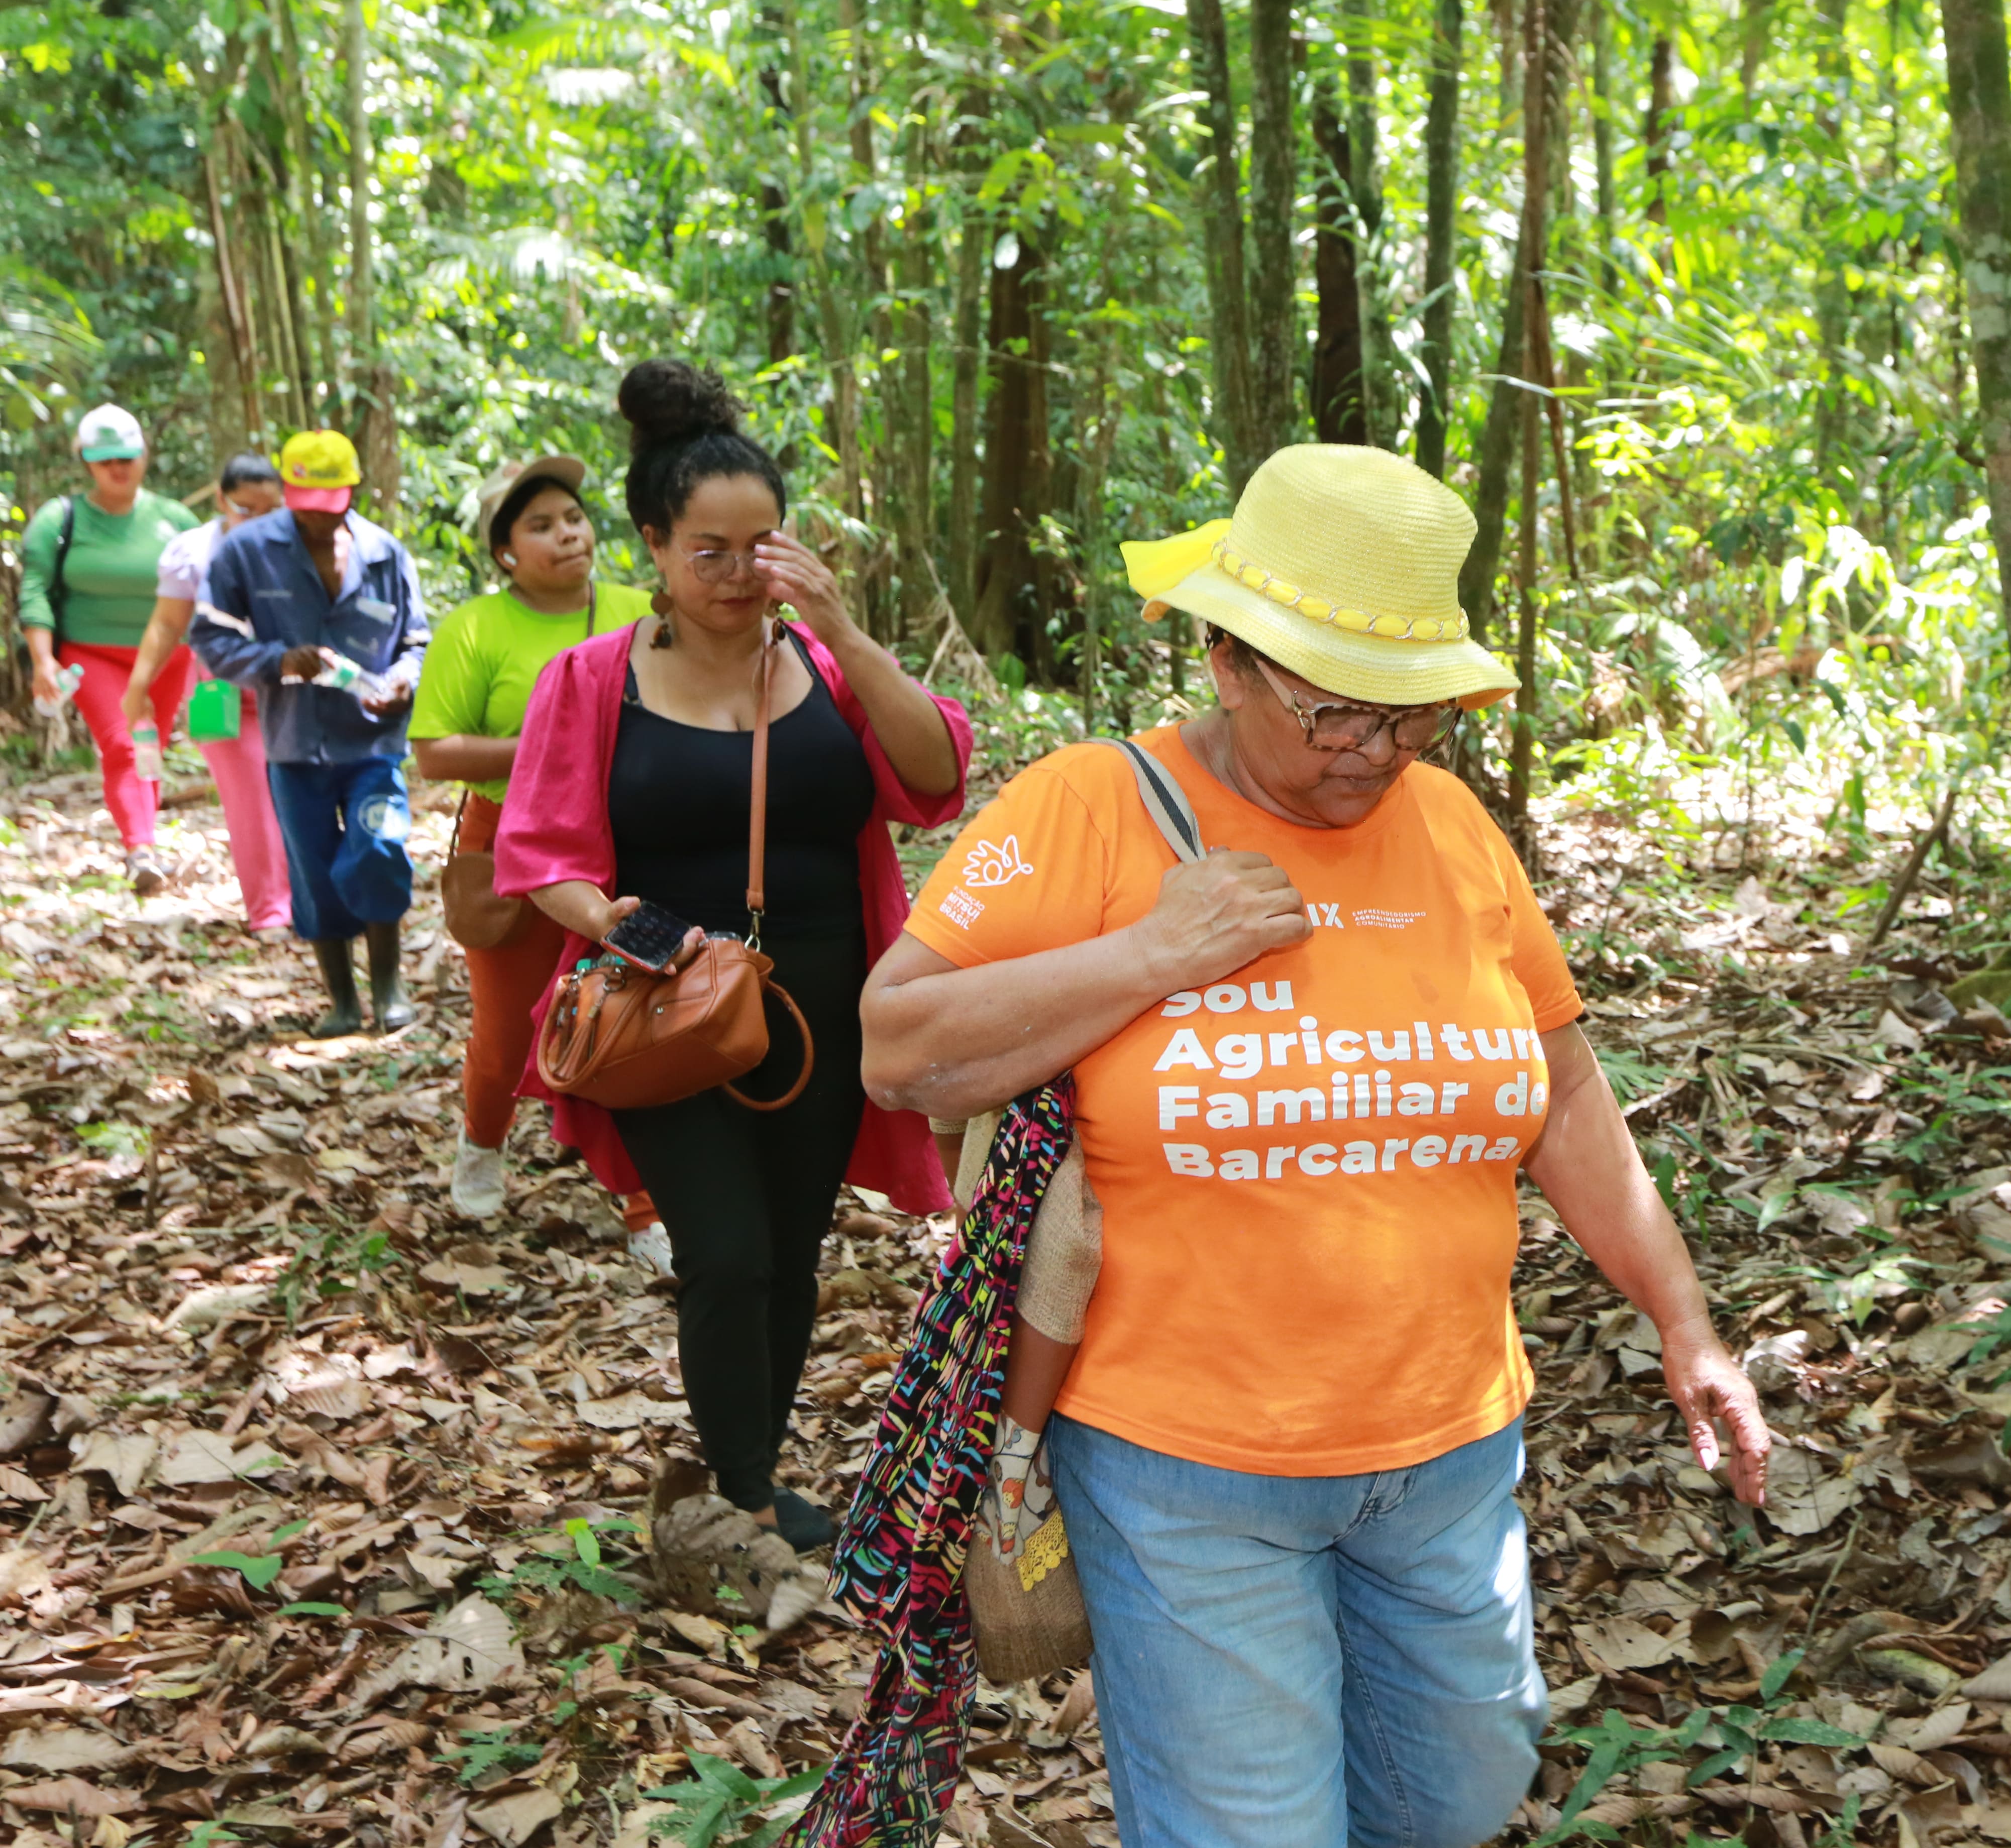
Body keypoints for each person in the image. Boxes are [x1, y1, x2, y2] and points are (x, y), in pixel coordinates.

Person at [859, 442, 1772, 1848]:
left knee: (1460, 1786)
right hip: (1185, 1465)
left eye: (1412, 715)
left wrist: (1683, 1317)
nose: (1373, 750)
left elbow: (1562, 1090)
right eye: (1332, 708)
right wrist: (1155, 953)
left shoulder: (1452, 826)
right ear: (1226, 660)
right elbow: (899, 1043)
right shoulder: (1088, 807)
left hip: (1450, 1444)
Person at [496, 361, 972, 1551]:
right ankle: (747, 1495)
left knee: (791, 1250)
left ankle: (753, 1470)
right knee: (726, 1250)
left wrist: (842, 628)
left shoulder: (821, 664)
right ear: (654, 547)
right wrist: (618, 922)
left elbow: (933, 777)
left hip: (822, 1000)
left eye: (761, 548)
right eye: (707, 550)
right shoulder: (591, 679)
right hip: (665, 1005)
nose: (736, 574)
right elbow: (538, 851)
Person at [409, 456, 665, 1246]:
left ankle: (648, 1208)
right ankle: (482, 1143)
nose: (568, 535)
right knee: (507, 1031)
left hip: (630, 839)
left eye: (574, 518)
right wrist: (549, 744)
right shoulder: (475, 628)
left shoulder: (639, 611)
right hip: (514, 844)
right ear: (506, 552)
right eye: (541, 526)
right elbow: (435, 752)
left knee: (633, 1020)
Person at [190, 428, 431, 1037]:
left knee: (379, 851)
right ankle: (342, 1001)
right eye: (306, 508)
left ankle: (389, 987)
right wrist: (275, 661)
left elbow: (417, 642)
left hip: (373, 742)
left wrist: (404, 680)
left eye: (331, 506)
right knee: (315, 871)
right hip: (294, 742)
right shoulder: (246, 551)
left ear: (353, 492)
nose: (319, 521)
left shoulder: (385, 554)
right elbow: (211, 637)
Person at [15, 403, 201, 895]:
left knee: (149, 746)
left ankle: (145, 840)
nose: (118, 469)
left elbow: (209, 586)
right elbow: (34, 589)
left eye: (127, 458)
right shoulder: (60, 518)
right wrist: (42, 659)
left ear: (144, 456)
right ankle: (140, 849)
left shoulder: (175, 518)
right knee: (123, 742)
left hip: (167, 657)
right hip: (92, 653)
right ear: (88, 464)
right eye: (105, 460)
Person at [119, 453, 294, 933]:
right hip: (217, 691)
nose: (258, 520)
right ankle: (272, 911)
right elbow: (167, 623)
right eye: (246, 509)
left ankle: (310, 900)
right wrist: (139, 685)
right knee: (249, 801)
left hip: (289, 687)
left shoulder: (297, 544)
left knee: (295, 793)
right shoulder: (193, 551)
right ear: (221, 500)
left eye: (271, 510)